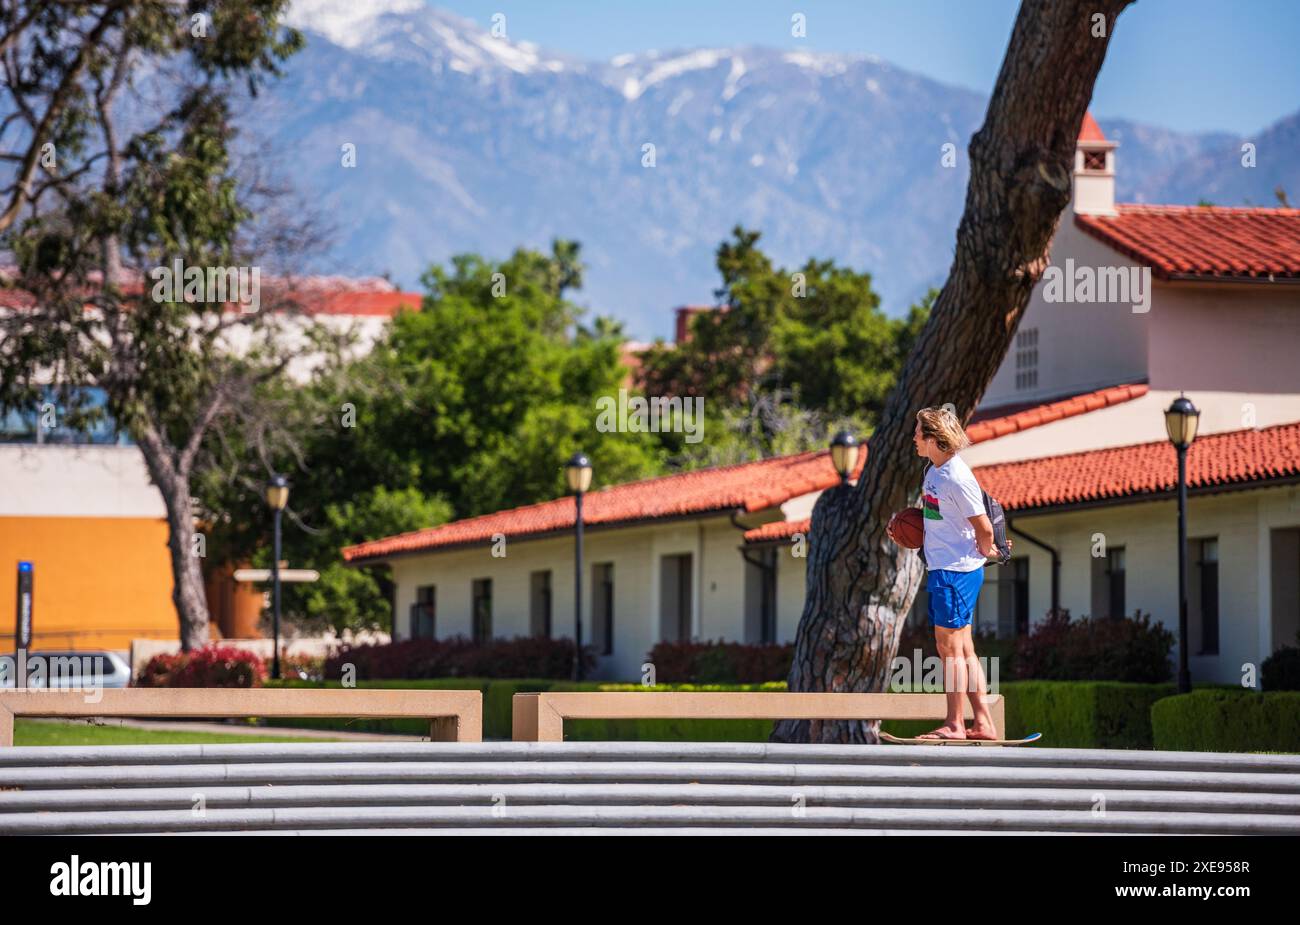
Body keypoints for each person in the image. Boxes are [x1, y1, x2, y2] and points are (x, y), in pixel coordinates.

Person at [887, 406, 1002, 740]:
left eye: (918, 432)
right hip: (944, 570)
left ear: (934, 438)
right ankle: (983, 723)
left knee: (948, 648)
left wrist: (987, 551)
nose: (913, 437)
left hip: (955, 573)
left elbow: (983, 526)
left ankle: (955, 724)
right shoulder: (934, 471)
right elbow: (938, 520)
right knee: (962, 649)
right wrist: (902, 529)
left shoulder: (955, 475)